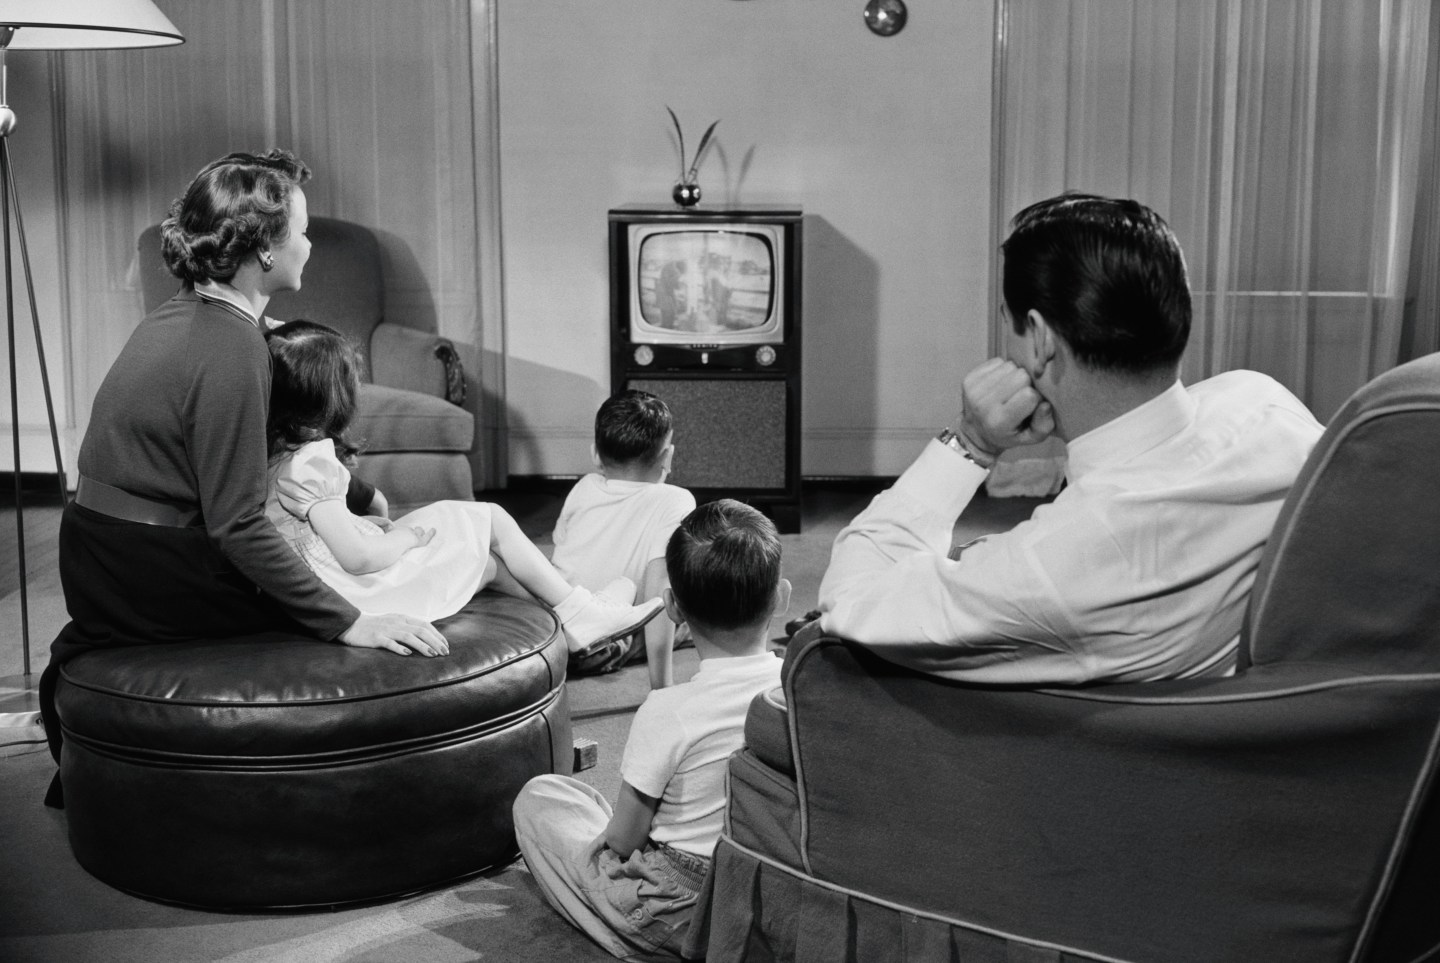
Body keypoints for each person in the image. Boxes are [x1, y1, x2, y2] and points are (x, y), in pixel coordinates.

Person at [38, 149, 447, 806]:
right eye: (302, 231)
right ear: (262, 251)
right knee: (349, 587)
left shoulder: (190, 309)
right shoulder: (232, 351)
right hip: (149, 567)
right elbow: (235, 524)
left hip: (98, 549)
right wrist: (345, 623)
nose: (311, 245)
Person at [817, 192, 1325, 685]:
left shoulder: (1050, 570)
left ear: (1040, 341)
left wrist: (972, 441)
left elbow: (850, 598)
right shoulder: (1265, 406)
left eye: (1007, 326)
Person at [265, 320, 665, 651]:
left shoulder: (273, 456)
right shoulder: (312, 461)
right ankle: (580, 610)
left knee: (487, 562)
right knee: (490, 517)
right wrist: (406, 541)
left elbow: (326, 535)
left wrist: (373, 527)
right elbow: (360, 559)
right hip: (363, 596)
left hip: (340, 588)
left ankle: (575, 620)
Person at [513, 499, 789, 961]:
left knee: (540, 799)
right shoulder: (797, 689)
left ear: (672, 608)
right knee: (582, 803)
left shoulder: (669, 710)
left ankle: (636, 940)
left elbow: (623, 841)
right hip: (767, 896)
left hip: (677, 902)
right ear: (780, 598)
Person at [550, 390, 695, 686]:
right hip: (608, 642)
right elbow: (660, 591)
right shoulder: (676, 501)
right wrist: (661, 689)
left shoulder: (583, 488)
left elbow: (561, 553)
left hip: (556, 631)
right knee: (708, 609)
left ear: (595, 454)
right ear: (668, 455)